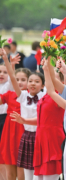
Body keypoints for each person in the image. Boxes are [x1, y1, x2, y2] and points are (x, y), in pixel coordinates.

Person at [4, 50, 46, 180]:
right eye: (31, 81)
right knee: (27, 170)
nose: (33, 83)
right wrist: (7, 60)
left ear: (43, 85)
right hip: (26, 135)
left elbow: (52, 82)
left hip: (40, 135)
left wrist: (47, 66)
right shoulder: (22, 96)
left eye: (36, 81)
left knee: (38, 170)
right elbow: (12, 78)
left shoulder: (44, 96)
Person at [0, 67, 30, 180]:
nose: (19, 82)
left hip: (23, 132)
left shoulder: (31, 96)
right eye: (17, 79)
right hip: (9, 133)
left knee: (22, 171)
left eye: (23, 79)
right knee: (10, 174)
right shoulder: (9, 94)